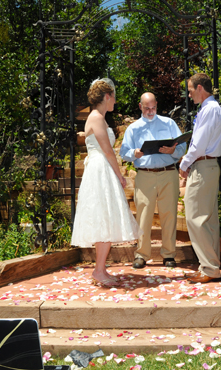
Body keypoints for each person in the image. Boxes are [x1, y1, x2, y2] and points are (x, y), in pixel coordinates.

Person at [71, 78, 142, 287]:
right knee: (103, 217)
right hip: (100, 170)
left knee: (106, 217)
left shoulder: (100, 118)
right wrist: (120, 176)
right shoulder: (96, 118)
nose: (115, 102)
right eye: (114, 97)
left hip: (101, 168)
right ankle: (99, 270)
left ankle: (100, 269)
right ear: (107, 96)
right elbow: (108, 151)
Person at [120, 92, 185, 269]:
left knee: (169, 214)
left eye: (153, 107)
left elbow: (182, 145)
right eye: (147, 108)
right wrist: (134, 153)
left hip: (168, 173)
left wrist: (173, 151)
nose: (150, 111)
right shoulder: (133, 128)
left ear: (157, 104)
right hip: (145, 174)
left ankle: (169, 255)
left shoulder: (169, 123)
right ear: (140, 106)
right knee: (143, 216)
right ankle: (141, 254)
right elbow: (123, 152)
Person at [179, 73, 221, 283]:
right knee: (208, 219)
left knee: (195, 217)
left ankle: (209, 267)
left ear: (199, 88)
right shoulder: (210, 109)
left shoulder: (209, 109)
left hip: (203, 165)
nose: (189, 95)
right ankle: (210, 266)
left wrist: (184, 163)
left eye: (190, 90)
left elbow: (198, 144)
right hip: (208, 165)